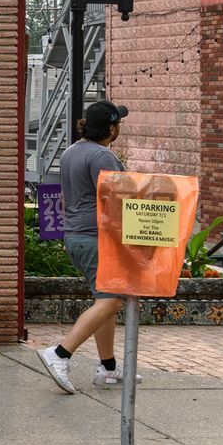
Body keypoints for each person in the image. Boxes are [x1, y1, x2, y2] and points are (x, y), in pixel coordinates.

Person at [38, 100, 134, 394]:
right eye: (118, 124)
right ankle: (60, 354)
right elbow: (117, 200)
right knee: (113, 301)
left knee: (103, 302)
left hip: (76, 237)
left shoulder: (71, 151)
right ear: (111, 128)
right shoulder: (102, 156)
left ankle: (108, 367)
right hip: (96, 238)